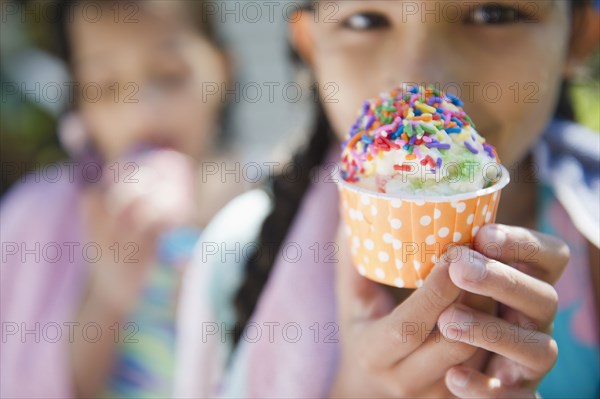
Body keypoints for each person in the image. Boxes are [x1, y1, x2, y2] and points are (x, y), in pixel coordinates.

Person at [175, 1, 599, 398]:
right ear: (311, 46)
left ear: (579, 35)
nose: (419, 80)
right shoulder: (236, 255)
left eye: (491, 14)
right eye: (366, 21)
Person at [0, 1, 235, 397]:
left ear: (224, 71)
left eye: (171, 76)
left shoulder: (271, 214)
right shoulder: (35, 218)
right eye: (105, 87)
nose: (142, 114)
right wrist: (107, 297)